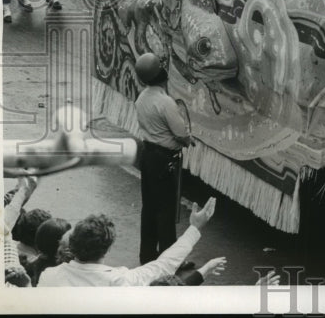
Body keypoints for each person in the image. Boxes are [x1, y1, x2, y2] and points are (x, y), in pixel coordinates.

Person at [38, 198, 216, 286]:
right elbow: (163, 265)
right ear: (106, 250)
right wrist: (194, 227)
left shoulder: (48, 276)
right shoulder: (119, 280)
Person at [134, 52, 193, 264]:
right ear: (163, 75)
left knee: (149, 208)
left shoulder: (142, 99)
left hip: (148, 156)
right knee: (166, 211)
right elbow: (180, 133)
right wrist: (188, 140)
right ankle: (170, 261)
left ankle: (147, 255)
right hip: (164, 159)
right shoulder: (165, 102)